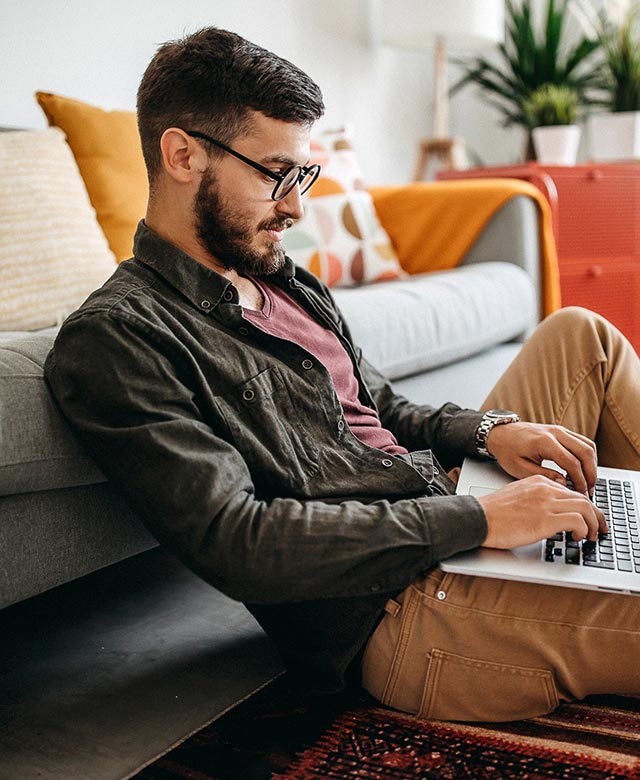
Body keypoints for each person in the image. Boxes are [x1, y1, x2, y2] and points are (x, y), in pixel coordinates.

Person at [44, 27, 640, 724]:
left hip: (444, 507)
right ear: (182, 155)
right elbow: (238, 541)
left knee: (581, 333)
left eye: (302, 176)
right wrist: (481, 518)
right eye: (275, 173)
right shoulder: (120, 336)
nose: (296, 207)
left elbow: (374, 404)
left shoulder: (283, 279)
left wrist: (488, 434)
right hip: (403, 609)